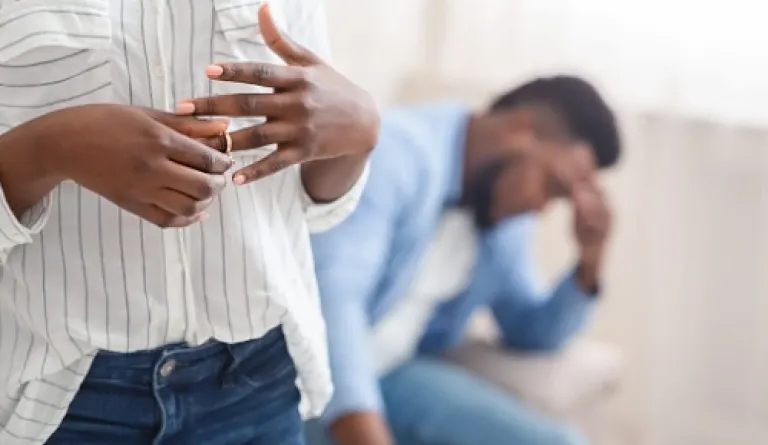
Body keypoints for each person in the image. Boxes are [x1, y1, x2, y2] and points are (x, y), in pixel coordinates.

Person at [0, 1, 378, 444]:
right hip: (63, 401)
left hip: (260, 383)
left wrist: (359, 134)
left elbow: (311, 206)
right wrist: (50, 147)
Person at [306, 75, 621, 445]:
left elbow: (527, 329)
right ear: (520, 130)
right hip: (308, 381)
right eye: (550, 187)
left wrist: (590, 260)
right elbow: (334, 303)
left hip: (395, 373)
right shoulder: (397, 152)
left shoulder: (504, 219)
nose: (540, 208)